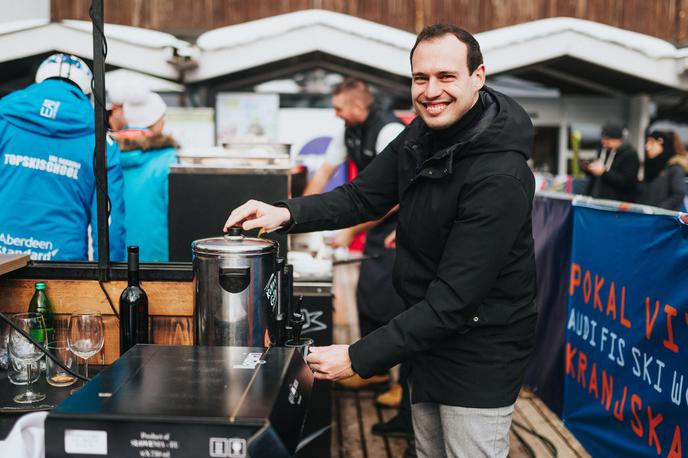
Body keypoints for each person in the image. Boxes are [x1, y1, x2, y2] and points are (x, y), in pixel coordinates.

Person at [225, 23, 537, 458]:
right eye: (420, 78)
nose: (431, 91)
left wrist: (356, 357)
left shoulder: (500, 176)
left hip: (479, 350)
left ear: (478, 77)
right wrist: (285, 213)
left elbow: (454, 301)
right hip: (427, 335)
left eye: (446, 77)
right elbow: (361, 197)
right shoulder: (420, 136)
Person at [305, 78, 412, 438]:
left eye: (338, 107)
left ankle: (402, 384)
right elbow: (322, 173)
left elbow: (394, 196)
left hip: (398, 224)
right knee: (368, 295)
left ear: (356, 107)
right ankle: (377, 370)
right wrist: (298, 218)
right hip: (374, 227)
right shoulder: (348, 130)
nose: (335, 114)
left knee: (394, 304)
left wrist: (352, 232)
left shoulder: (389, 130)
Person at [0, 53, 126, 261]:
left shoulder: (5, 120)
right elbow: (108, 224)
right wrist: (109, 283)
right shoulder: (100, 142)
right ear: (86, 92)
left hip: (3, 259)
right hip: (63, 269)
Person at [113, 88, 177, 262]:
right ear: (156, 121)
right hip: (158, 259)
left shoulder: (108, 153)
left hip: (116, 257)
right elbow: (177, 212)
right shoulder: (168, 158)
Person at [584, 123, 640, 202]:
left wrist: (603, 172)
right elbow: (595, 178)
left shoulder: (630, 155)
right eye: (603, 138)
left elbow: (628, 182)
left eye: (607, 139)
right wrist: (589, 169)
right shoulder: (602, 151)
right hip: (596, 199)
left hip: (617, 205)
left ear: (618, 140)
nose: (604, 141)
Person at [637, 130, 688, 210]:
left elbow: (679, 194)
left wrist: (659, 211)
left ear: (662, 144)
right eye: (647, 142)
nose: (647, 147)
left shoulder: (674, 168)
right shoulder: (650, 165)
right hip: (645, 217)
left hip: (662, 219)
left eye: (652, 143)